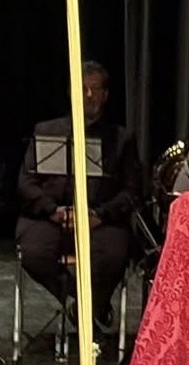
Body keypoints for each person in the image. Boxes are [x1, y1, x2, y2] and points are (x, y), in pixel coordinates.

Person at [15, 60, 143, 336]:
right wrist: (53, 210)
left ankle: (90, 306)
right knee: (34, 252)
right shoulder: (46, 131)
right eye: (82, 88)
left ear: (105, 95)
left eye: (94, 89)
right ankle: (84, 303)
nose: (88, 95)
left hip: (99, 219)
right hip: (52, 216)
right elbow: (26, 182)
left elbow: (132, 191)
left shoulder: (121, 138)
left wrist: (100, 215)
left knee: (113, 255)